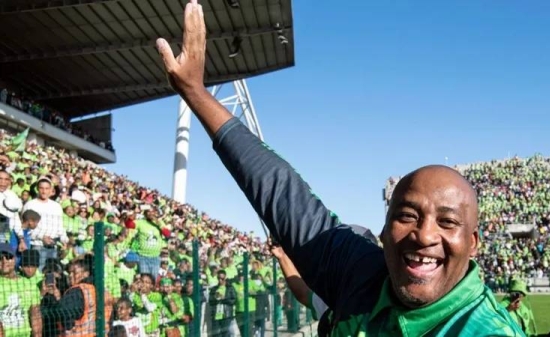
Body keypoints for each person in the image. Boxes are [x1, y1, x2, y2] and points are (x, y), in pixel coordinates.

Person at [155, 1, 525, 336]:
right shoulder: (362, 273)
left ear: (473, 242)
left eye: (447, 222)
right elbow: (281, 193)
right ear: (383, 231)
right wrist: (197, 93)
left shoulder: (486, 331)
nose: (424, 235)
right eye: (408, 216)